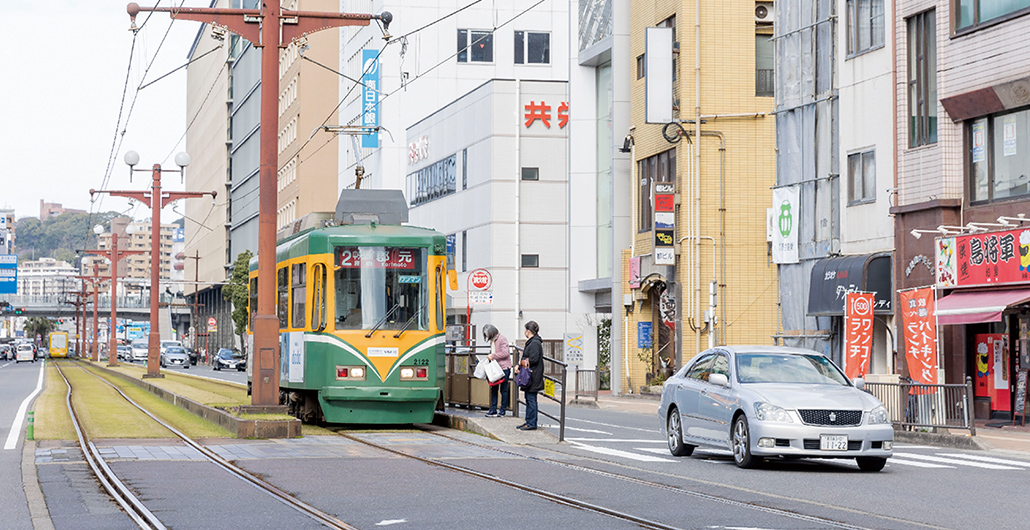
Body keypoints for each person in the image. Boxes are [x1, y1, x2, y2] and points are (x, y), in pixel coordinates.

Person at [517, 321, 544, 431]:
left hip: (533, 375)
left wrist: (521, 362)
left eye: (525, 330)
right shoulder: (534, 342)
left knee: (531, 399)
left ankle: (531, 422)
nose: (524, 332)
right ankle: (529, 421)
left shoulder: (534, 343)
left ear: (528, 331)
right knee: (529, 398)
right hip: (532, 374)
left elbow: (533, 359)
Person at [483, 324, 511, 417]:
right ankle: (493, 409)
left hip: (504, 368)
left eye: (487, 335)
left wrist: (493, 356)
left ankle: (502, 410)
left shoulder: (502, 339)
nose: (487, 337)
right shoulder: (492, 341)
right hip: (495, 368)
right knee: (494, 389)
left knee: (503, 390)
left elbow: (505, 353)